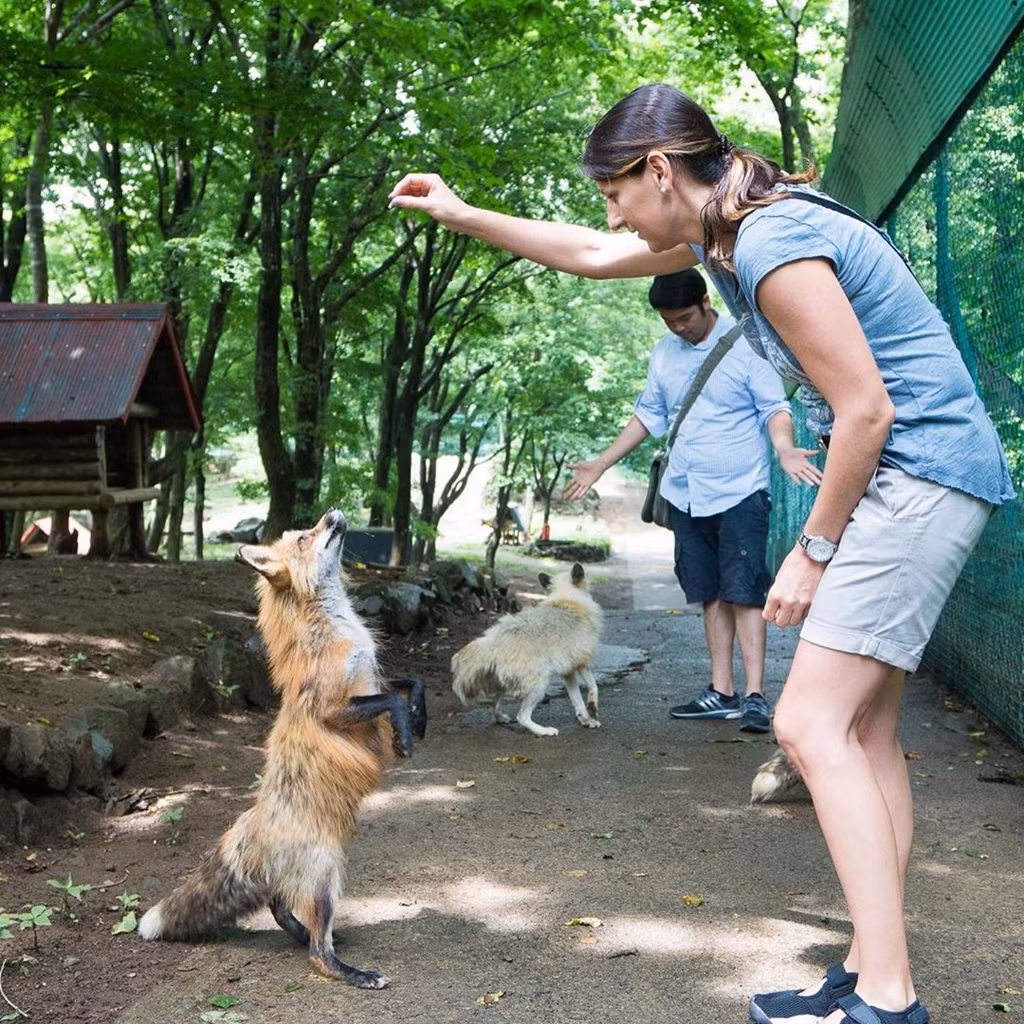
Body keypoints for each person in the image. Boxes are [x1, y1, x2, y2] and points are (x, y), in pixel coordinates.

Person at [390, 83, 1014, 1024]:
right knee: (865, 732)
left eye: (615, 191)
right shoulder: (730, 230)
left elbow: (868, 411)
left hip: (914, 476)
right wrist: (462, 212)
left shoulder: (769, 242)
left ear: (659, 170)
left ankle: (888, 1001)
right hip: (923, 475)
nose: (612, 213)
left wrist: (810, 550)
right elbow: (595, 254)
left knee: (805, 727)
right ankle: (869, 967)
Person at [563, 268, 821, 733]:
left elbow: (773, 408)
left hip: (740, 489)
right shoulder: (664, 353)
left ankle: (757, 696)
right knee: (708, 594)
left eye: (683, 317)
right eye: (668, 321)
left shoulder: (747, 345)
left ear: (705, 301)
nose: (678, 328)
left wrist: (784, 448)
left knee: (743, 592)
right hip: (685, 491)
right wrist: (600, 463)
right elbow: (648, 415)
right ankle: (721, 692)